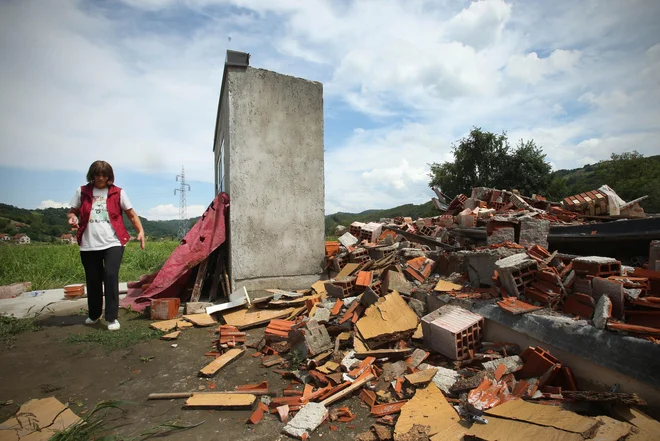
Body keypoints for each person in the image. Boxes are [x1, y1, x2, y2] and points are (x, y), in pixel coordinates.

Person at [67, 160, 145, 331]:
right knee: (93, 280)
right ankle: (94, 314)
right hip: (89, 244)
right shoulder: (82, 191)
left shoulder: (118, 193)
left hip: (113, 242)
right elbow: (73, 211)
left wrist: (140, 231)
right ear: (92, 175)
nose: (101, 178)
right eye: (97, 174)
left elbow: (131, 215)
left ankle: (112, 318)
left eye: (104, 175)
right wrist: (72, 218)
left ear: (109, 176)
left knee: (110, 276)